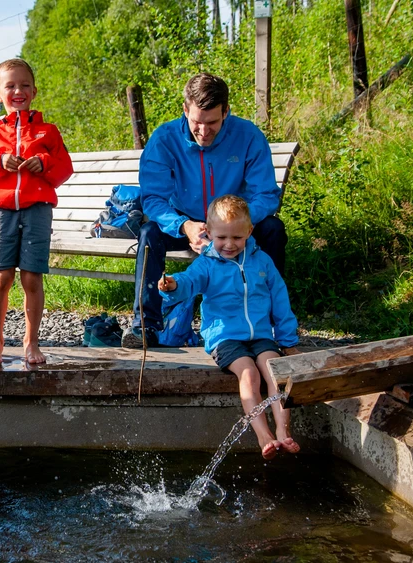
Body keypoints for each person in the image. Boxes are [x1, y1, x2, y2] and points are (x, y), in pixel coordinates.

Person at [123, 73, 287, 348]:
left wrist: (234, 224)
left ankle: (269, 323)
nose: (203, 131)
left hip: (234, 226)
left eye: (212, 122)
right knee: (149, 232)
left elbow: (266, 195)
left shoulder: (248, 136)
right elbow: (153, 199)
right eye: (196, 122)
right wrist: (184, 226)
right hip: (184, 224)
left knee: (273, 229)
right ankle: (145, 326)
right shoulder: (164, 139)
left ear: (226, 111)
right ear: (185, 110)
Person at [159, 195, 300, 460]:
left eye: (237, 237)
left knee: (276, 373)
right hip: (225, 338)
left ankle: (283, 430)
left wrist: (287, 341)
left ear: (249, 231)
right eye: (222, 237)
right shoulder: (207, 264)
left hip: (260, 336)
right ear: (209, 233)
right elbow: (189, 281)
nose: (229, 244)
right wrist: (173, 285)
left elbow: (280, 301)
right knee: (249, 374)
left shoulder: (262, 262)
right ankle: (263, 436)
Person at [0, 58, 74, 365]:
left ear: (34, 91)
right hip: (2, 211)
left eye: (25, 85)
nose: (19, 90)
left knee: (31, 277)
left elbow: (64, 170)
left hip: (37, 210)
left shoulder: (48, 132)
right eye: (11, 86)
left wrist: (44, 164)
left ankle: (31, 342)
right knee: (1, 277)